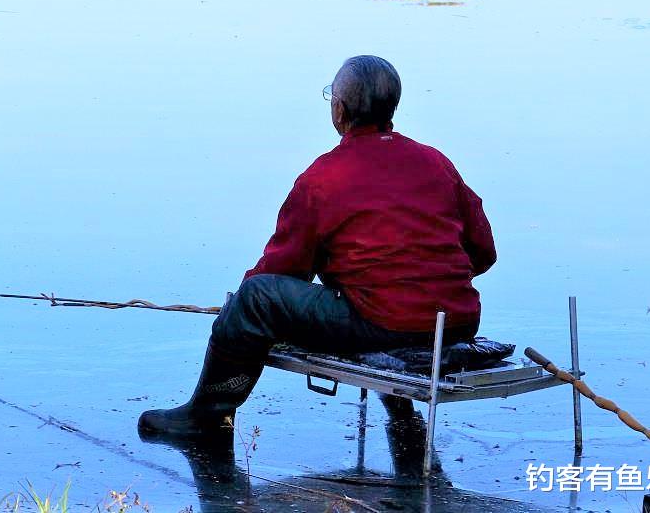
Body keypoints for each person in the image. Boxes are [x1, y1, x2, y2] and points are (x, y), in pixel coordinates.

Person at [138, 55, 496, 438]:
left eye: (332, 98)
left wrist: (235, 309)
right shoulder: (435, 162)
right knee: (373, 290)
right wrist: (420, 280)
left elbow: (284, 270)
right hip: (457, 322)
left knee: (256, 297)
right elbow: (483, 251)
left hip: (385, 324)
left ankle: (206, 418)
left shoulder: (324, 177)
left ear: (339, 109)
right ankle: (402, 417)